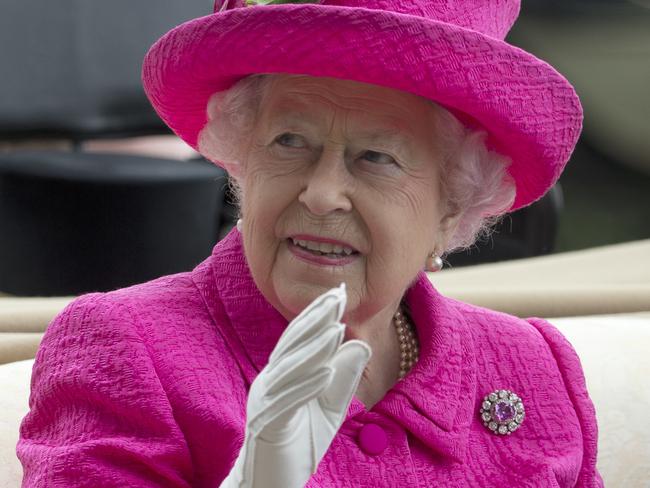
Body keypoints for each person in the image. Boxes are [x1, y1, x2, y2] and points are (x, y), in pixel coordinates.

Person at [18, 0, 603, 486]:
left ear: (452, 205)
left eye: (376, 157)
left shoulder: (533, 366)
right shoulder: (124, 347)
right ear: (242, 164)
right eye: (289, 141)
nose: (322, 194)